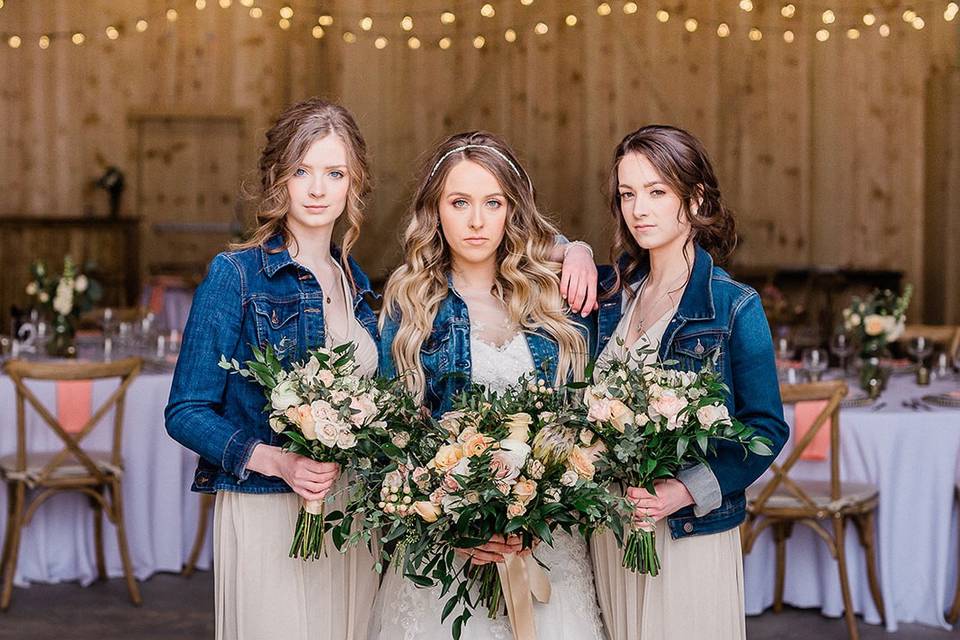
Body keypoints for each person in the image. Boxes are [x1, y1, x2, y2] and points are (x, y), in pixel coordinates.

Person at [368, 131, 605, 640]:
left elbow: (583, 424)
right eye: (460, 202)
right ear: (436, 211)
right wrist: (456, 522)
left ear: (511, 211)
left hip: (546, 545)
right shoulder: (411, 306)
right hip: (447, 551)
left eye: (492, 203)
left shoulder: (553, 296)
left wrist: (577, 249)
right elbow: (394, 440)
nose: (476, 221)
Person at [165, 97, 380, 640]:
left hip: (350, 510)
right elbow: (185, 411)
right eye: (301, 171)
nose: (316, 188)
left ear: (353, 184)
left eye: (334, 173)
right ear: (276, 178)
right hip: (268, 508)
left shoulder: (357, 283)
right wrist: (276, 461)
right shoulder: (235, 275)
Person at [589, 124, 789, 640]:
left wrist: (684, 489)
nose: (640, 209)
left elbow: (765, 427)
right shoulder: (610, 298)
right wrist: (571, 250)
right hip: (609, 528)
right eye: (628, 194)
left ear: (695, 198)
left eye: (657, 192)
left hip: (686, 532)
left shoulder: (733, 305)